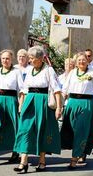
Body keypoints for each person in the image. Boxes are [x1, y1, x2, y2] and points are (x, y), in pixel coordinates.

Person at [13, 45, 62, 173]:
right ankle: (23, 161)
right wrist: (21, 104)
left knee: (42, 130)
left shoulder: (48, 70)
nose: (30, 60)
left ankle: (42, 161)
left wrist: (59, 108)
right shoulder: (29, 70)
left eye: (32, 58)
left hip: (43, 102)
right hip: (30, 101)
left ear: (40, 58)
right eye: (29, 58)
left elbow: (56, 89)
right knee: (25, 129)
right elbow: (24, 89)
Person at [61, 52, 93, 169]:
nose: (81, 62)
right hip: (72, 103)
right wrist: (59, 104)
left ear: (87, 61)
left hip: (86, 104)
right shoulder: (72, 73)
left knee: (81, 131)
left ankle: (74, 158)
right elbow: (64, 91)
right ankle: (81, 151)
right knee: (72, 130)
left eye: (83, 60)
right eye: (79, 60)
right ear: (76, 62)